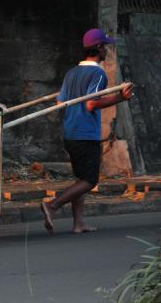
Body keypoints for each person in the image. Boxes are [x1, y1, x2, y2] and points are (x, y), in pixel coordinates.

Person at [40, 29, 133, 234]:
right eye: (106, 46)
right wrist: (120, 98)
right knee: (90, 181)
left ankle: (78, 223)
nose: (107, 50)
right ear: (99, 48)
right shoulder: (97, 73)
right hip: (85, 133)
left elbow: (60, 102)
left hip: (70, 133)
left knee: (81, 178)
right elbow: (92, 104)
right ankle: (52, 205)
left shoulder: (72, 72)